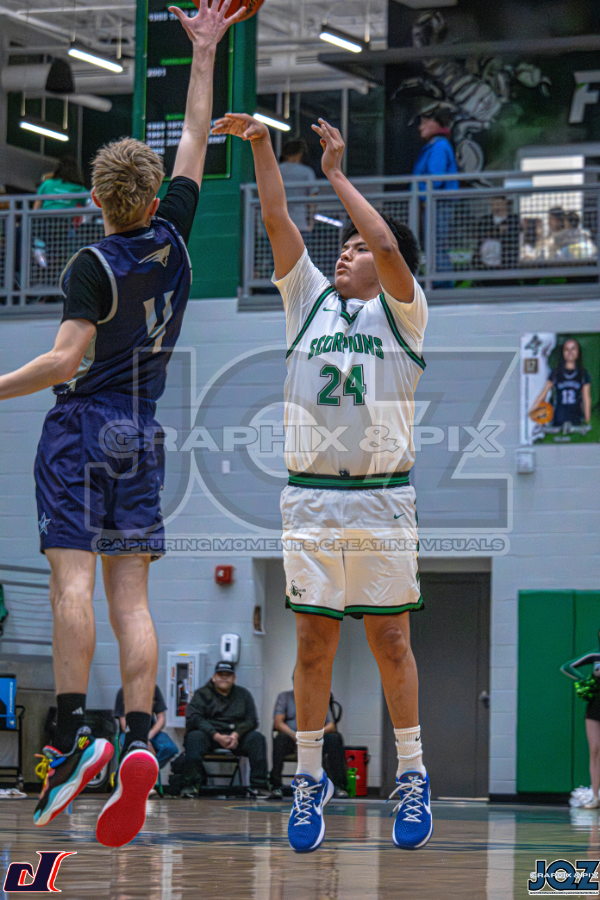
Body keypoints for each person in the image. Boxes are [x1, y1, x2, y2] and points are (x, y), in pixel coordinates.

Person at [0, 0, 245, 848]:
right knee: (131, 598)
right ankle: (139, 738)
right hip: (143, 431)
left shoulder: (93, 262)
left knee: (71, 583)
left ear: (101, 200)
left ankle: (73, 738)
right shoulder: (175, 238)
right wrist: (205, 50)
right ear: (150, 195)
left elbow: (62, 362)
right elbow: (196, 136)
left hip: (83, 426)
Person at [212, 112, 431, 853]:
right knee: (311, 645)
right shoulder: (307, 301)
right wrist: (262, 146)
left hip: (380, 495)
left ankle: (413, 773)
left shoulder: (404, 314)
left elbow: (391, 245)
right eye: (345, 244)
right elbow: (276, 218)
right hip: (309, 496)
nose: (347, 251)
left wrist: (336, 173)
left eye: (357, 246)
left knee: (391, 640)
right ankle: (309, 780)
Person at [182, 661, 270, 798]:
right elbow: (194, 718)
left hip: (236, 737)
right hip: (210, 736)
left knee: (257, 738)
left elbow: (251, 720)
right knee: (193, 738)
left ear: (234, 678)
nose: (224, 677)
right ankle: (192, 786)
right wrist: (216, 735)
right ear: (214, 677)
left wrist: (236, 734)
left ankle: (259, 786)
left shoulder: (243, 694)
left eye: (228, 675)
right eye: (220, 674)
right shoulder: (201, 694)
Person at [270, 678, 347, 799]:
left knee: (335, 738)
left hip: (316, 738)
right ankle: (276, 787)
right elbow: (278, 723)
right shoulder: (284, 697)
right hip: (293, 738)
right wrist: (295, 735)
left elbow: (331, 726)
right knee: (280, 739)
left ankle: (337, 786)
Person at [413, 107, 458, 277]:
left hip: (437, 204)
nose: (420, 127)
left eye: (425, 122)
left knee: (436, 244)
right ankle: (438, 280)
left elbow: (435, 178)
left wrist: (424, 197)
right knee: (435, 244)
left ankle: (440, 282)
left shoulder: (439, 146)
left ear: (436, 124)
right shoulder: (438, 145)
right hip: (434, 203)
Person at [561, 635, 600, 808]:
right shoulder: (595, 655)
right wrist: (584, 680)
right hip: (595, 707)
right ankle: (595, 796)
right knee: (595, 750)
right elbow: (567, 667)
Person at [529, 337, 591, 428]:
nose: (570, 352)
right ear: (563, 352)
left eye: (573, 349)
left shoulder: (582, 374)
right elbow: (544, 392)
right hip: (558, 417)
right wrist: (533, 410)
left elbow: (586, 398)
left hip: (576, 418)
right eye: (567, 349)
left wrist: (587, 419)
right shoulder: (555, 373)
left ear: (578, 352)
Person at [114, 684, 178, 769]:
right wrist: (141, 739)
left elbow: (161, 718)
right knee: (132, 750)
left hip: (150, 732)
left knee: (170, 748)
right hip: (129, 733)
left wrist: (148, 736)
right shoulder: (123, 691)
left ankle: (148, 768)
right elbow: (124, 724)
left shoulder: (153, 688)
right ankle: (133, 770)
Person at [278, 139, 318, 235]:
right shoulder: (306, 171)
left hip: (278, 222)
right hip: (300, 222)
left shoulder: (275, 170)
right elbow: (313, 197)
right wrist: (312, 220)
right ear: (300, 153)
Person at [476, 196, 521, 270]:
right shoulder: (485, 220)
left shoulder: (514, 219)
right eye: (494, 204)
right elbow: (479, 233)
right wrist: (497, 231)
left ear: (505, 204)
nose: (497, 207)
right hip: (485, 264)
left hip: (507, 263)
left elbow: (515, 234)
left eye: (499, 204)